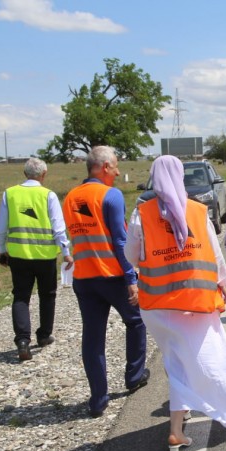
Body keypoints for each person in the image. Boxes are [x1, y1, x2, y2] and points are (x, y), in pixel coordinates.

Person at [125, 155, 226, 451]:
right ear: (180, 176)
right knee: (196, 360)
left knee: (175, 361)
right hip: (194, 305)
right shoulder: (197, 211)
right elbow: (214, 254)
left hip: (156, 306)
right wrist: (224, 284)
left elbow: (132, 256)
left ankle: (177, 423)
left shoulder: (141, 214)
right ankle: (180, 422)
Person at [62, 145, 149, 418]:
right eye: (114, 166)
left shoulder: (70, 198)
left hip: (84, 278)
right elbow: (120, 240)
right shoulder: (110, 195)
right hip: (112, 275)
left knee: (92, 336)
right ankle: (134, 376)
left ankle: (98, 399)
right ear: (101, 167)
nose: (118, 171)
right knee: (135, 320)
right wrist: (131, 276)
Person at [0, 158, 73, 362]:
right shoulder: (48, 195)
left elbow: (1, 227)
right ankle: (44, 335)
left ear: (24, 173)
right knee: (47, 295)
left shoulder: (10, 194)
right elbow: (58, 226)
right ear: (44, 174)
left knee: (21, 296)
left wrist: (2, 250)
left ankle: (22, 340)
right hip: (45, 256)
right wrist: (65, 251)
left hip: (18, 256)